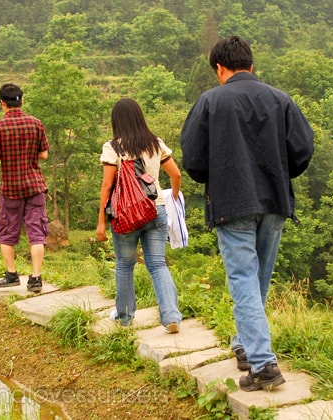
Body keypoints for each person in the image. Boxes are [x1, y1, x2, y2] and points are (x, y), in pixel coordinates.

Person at [180, 36, 314, 392]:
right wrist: (278, 174)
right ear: (252, 66)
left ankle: (264, 364)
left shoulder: (210, 101)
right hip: (274, 203)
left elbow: (192, 158)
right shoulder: (280, 99)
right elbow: (302, 149)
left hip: (232, 203)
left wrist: (219, 177)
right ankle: (245, 344)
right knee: (257, 280)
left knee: (242, 279)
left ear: (219, 69)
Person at [96, 98, 183, 333]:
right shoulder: (156, 144)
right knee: (157, 264)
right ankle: (171, 316)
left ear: (117, 121)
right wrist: (173, 198)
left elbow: (107, 185)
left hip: (125, 215)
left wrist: (102, 221)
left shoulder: (112, 148)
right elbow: (176, 175)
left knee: (125, 265)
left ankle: (125, 318)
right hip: (155, 209)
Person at [0, 83, 49, 293]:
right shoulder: (36, 123)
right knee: (37, 233)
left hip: (10, 188)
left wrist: (9, 154)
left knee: (7, 232)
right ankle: (36, 278)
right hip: (34, 186)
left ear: (2, 103)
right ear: (21, 101)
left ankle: (12, 274)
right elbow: (44, 155)